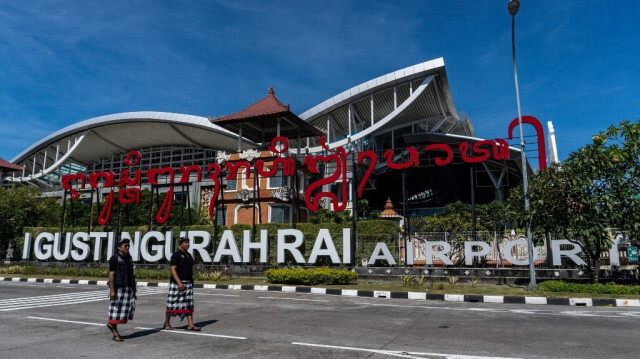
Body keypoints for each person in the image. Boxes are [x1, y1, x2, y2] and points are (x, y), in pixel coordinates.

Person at [164, 236, 200, 331]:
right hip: (177, 283)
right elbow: (173, 269)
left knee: (189, 304)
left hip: (188, 283)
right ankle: (167, 323)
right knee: (172, 303)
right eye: (185, 242)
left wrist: (192, 281)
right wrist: (179, 283)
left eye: (188, 242)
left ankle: (190, 325)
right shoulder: (176, 255)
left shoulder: (189, 255)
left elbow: (190, 269)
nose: (187, 244)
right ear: (180, 244)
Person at [107, 238, 136, 342]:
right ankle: (114, 331)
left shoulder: (128, 258)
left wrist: (134, 286)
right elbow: (111, 275)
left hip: (128, 287)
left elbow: (131, 273)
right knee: (115, 311)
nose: (127, 247)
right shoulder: (114, 258)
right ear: (119, 247)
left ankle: (112, 326)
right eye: (125, 246)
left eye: (128, 246)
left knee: (127, 310)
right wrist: (112, 290)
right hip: (118, 288)